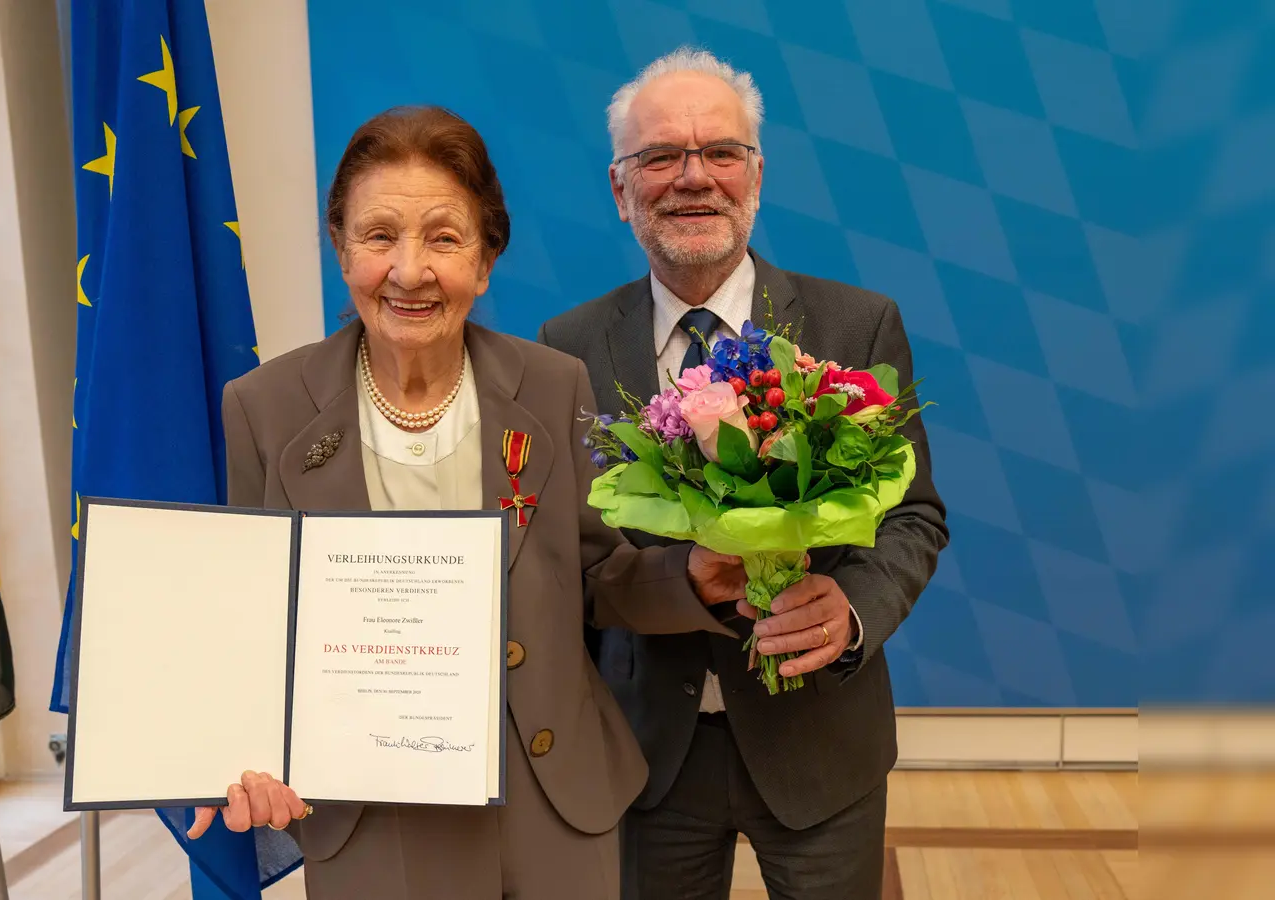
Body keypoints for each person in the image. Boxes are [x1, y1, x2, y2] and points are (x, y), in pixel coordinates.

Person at [183, 105, 760, 900]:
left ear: (486, 261)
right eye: (379, 235)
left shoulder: (554, 386)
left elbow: (597, 574)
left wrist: (695, 579)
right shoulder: (265, 407)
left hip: (552, 798)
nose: (410, 270)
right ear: (341, 249)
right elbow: (251, 623)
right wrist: (236, 750)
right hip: (369, 807)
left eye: (445, 238)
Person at [536, 48, 950, 900]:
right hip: (645, 757)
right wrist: (676, 580)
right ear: (621, 189)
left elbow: (913, 517)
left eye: (720, 152)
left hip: (822, 746)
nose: (694, 178)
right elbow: (565, 559)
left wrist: (855, 612)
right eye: (660, 157)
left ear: (756, 174)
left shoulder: (858, 327)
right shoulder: (566, 349)